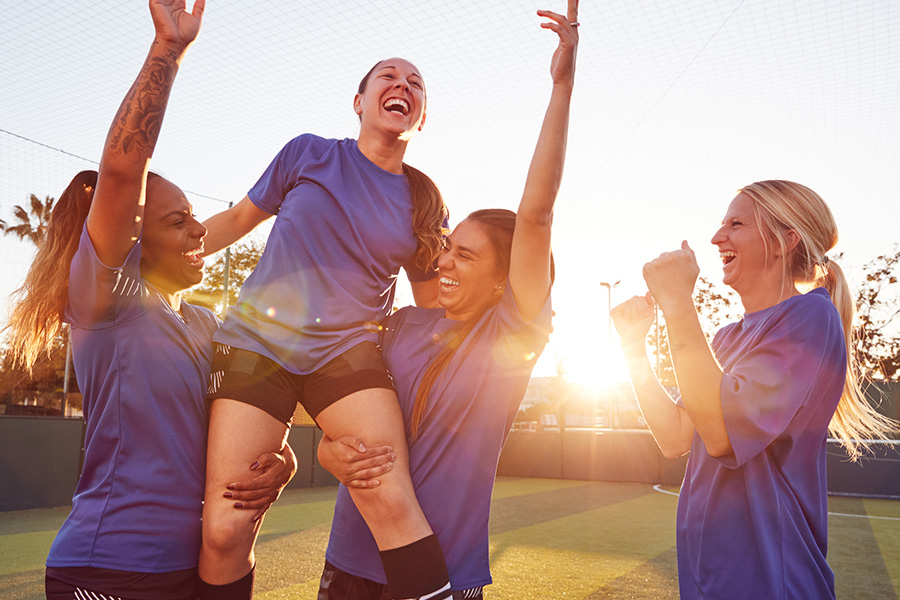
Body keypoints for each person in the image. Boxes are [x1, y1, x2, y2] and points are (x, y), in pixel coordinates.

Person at [4, 3, 294, 599]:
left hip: (201, 570)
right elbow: (119, 172)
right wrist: (169, 50)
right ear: (136, 236)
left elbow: (239, 418)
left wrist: (282, 459)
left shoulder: (203, 320)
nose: (198, 232)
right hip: (111, 569)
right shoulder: (107, 304)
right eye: (179, 220)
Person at [314, 3, 578, 597]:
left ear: (504, 280)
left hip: (445, 573)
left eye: (465, 254)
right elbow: (326, 391)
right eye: (447, 248)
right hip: (351, 560)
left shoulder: (513, 333)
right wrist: (329, 451)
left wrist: (561, 86)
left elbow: (536, 215)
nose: (443, 261)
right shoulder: (401, 325)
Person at [197, 35, 449, 600]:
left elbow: (434, 310)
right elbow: (236, 220)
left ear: (421, 118)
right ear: (359, 101)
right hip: (256, 345)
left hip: (349, 356)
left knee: (388, 494)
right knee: (226, 524)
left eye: (415, 85)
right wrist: (146, 266)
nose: (401, 86)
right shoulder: (308, 153)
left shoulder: (423, 201)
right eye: (388, 76)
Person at [610, 180, 895, 599]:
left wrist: (678, 304)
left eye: (736, 223)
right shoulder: (725, 338)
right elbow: (673, 436)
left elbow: (722, 435)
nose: (716, 237)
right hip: (709, 580)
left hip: (770, 583)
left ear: (784, 241)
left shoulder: (811, 316)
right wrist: (634, 346)